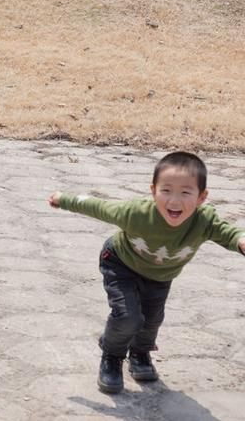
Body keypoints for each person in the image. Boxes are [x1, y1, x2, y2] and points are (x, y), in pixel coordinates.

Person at [48, 151, 245, 394]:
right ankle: (111, 356)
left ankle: (140, 354)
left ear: (202, 197)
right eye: (166, 190)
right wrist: (63, 199)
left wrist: (240, 241)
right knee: (128, 317)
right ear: (153, 191)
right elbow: (98, 206)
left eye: (185, 192)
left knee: (151, 320)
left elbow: (228, 233)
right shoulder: (137, 213)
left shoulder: (204, 220)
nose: (174, 200)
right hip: (121, 264)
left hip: (160, 276)